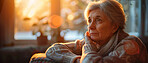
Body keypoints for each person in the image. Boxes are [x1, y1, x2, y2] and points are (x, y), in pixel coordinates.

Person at [30, 0, 147, 63]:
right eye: (89, 20)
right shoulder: (95, 42)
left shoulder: (131, 44)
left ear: (114, 27)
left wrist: (88, 49)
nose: (90, 26)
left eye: (98, 20)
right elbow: (53, 49)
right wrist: (76, 60)